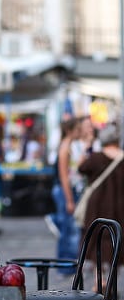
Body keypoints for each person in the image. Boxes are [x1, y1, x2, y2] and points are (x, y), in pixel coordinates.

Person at [77, 123, 124, 286]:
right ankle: (112, 281)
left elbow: (81, 168)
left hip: (96, 206)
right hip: (119, 206)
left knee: (96, 237)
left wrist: (86, 147)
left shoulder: (96, 157)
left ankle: (100, 278)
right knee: (116, 239)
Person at [48, 117, 83, 273]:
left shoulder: (68, 146)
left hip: (65, 191)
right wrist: (69, 199)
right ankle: (67, 267)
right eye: (78, 129)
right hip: (65, 192)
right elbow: (64, 176)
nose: (80, 132)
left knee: (68, 229)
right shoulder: (65, 147)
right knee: (69, 230)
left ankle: (66, 265)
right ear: (70, 130)